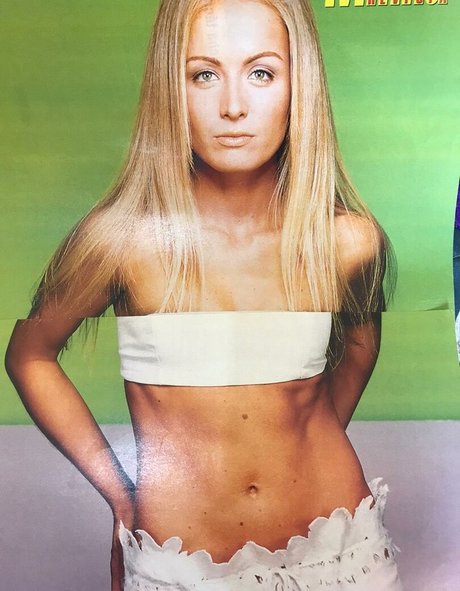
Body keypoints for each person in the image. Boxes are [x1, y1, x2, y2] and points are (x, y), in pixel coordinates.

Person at [5, 0, 403, 589]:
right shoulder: (119, 242)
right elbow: (29, 355)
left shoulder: (348, 242)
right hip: (181, 562)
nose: (233, 106)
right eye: (203, 74)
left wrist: (295, 444)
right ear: (170, 88)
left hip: (343, 552)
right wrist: (120, 495)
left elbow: (360, 351)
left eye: (261, 72)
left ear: (300, 86)